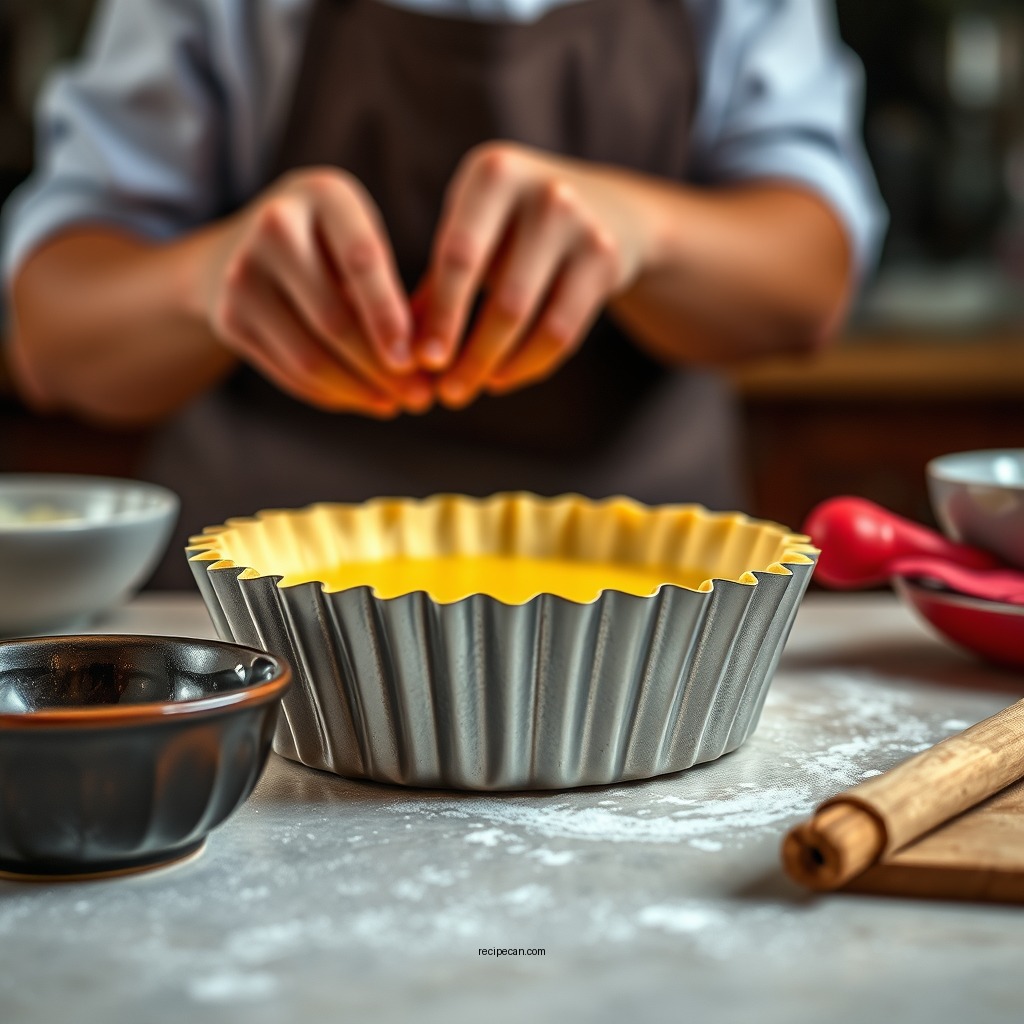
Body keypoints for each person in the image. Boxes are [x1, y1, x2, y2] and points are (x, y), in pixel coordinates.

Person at [1, 0, 886, 588]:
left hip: (656, 613)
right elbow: (50, 337)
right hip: (259, 624)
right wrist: (206, 279)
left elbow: (810, 285)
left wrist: (644, 232)